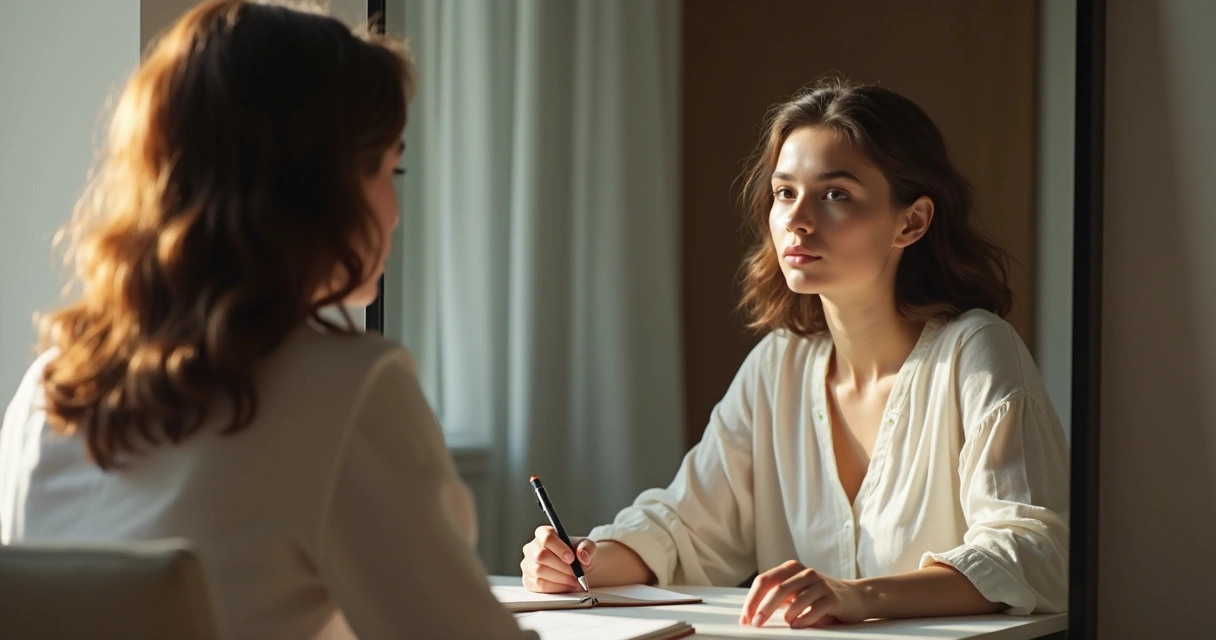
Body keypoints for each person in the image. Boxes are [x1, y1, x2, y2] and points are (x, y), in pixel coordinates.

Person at [0, 1, 534, 638]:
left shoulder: (49, 393)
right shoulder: (348, 391)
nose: (394, 211)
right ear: (315, 187)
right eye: (388, 169)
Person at [520, 79, 1070, 629]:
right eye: (785, 192)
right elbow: (686, 527)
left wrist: (858, 597)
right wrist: (580, 562)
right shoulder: (777, 364)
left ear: (912, 221)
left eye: (836, 194)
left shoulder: (975, 352)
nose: (796, 219)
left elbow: (1032, 553)